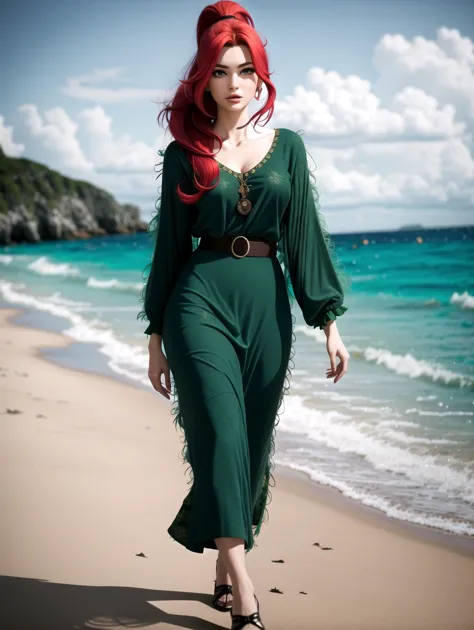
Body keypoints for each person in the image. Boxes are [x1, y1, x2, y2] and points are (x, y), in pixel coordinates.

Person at [138, 2, 351, 628]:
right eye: (221, 71)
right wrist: (156, 336)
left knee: (251, 449)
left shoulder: (288, 148)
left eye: (245, 70)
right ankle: (248, 593)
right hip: (198, 299)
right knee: (222, 436)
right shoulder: (185, 154)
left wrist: (329, 322)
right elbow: (168, 250)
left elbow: (306, 236)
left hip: (267, 305)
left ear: (260, 78)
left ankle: (221, 563)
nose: (234, 83)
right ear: (203, 81)